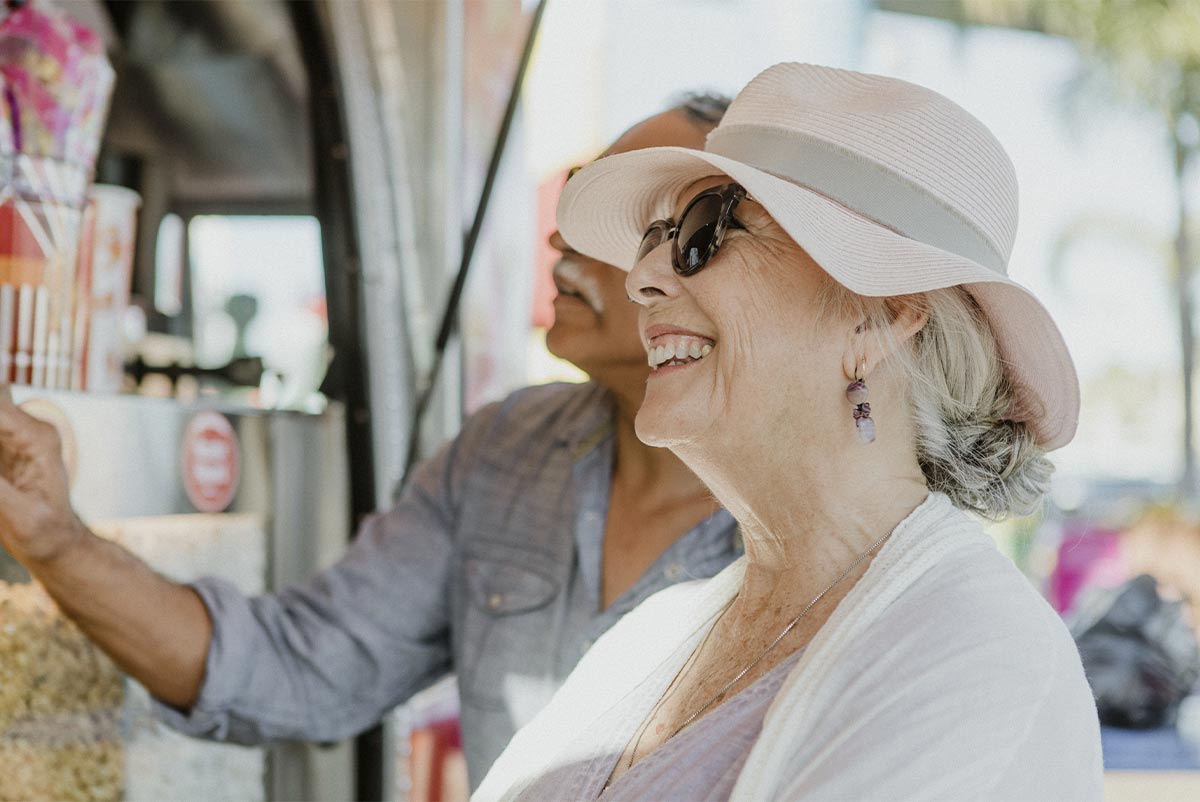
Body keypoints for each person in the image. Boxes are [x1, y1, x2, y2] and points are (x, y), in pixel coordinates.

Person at [0, 95, 740, 789]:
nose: (560, 235)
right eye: (581, 197)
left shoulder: (823, 523)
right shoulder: (506, 450)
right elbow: (301, 672)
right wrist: (56, 539)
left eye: (647, 219)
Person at [474, 63, 1103, 802]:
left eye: (705, 231)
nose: (641, 277)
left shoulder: (981, 658)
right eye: (655, 236)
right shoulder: (655, 635)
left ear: (878, 316)